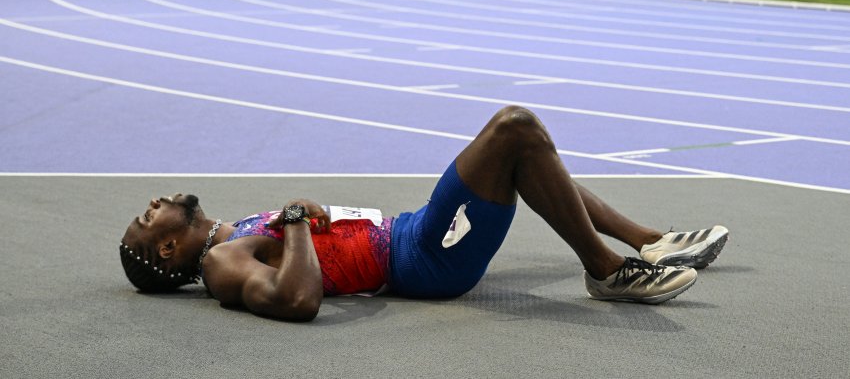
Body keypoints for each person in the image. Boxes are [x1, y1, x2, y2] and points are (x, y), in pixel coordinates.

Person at [120, 106, 728, 322]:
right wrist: (300, 221)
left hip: (408, 231)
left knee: (521, 153)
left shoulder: (233, 236)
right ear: (169, 251)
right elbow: (297, 301)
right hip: (422, 259)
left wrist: (308, 220)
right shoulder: (223, 261)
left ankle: (649, 241)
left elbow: (314, 253)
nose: (153, 206)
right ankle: (606, 269)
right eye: (148, 221)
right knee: (514, 129)